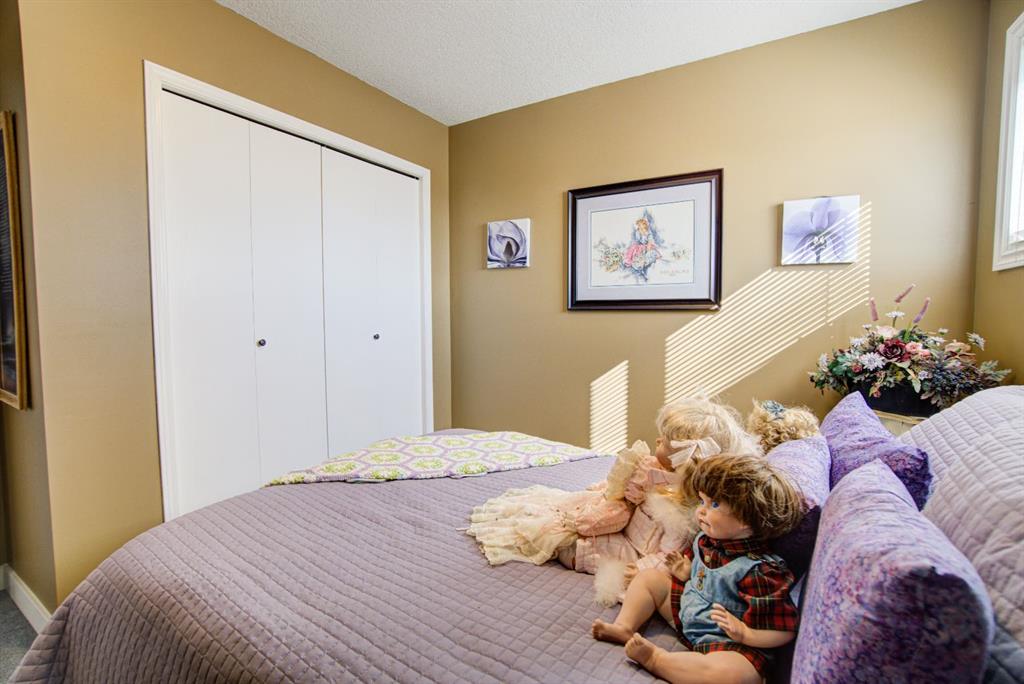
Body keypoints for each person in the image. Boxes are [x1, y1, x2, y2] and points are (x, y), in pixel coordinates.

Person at [591, 453, 804, 684]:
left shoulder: (761, 571)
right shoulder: (705, 540)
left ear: (746, 519)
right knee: (649, 578)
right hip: (689, 611)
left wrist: (746, 634)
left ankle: (657, 660)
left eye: (714, 505)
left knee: (737, 675)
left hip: (727, 643)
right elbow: (700, 575)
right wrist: (686, 572)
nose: (701, 510)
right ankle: (624, 626)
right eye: (702, 501)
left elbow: (784, 630)